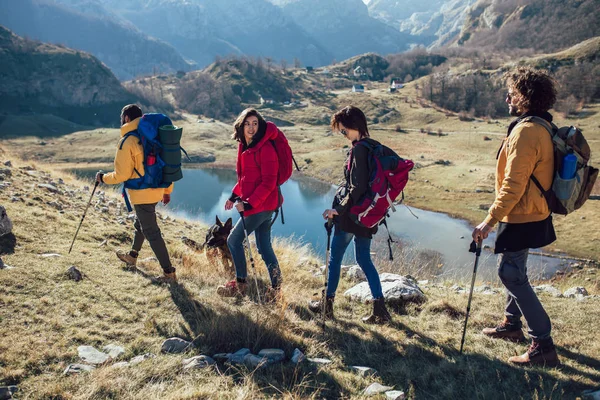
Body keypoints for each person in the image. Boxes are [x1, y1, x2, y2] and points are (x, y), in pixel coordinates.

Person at [472, 67, 559, 367]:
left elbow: (513, 185)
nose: (507, 96)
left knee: (509, 273)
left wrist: (488, 220)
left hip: (521, 214)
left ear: (525, 97)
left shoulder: (526, 131)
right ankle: (512, 325)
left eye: (512, 91)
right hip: (530, 212)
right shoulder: (539, 126)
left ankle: (542, 344)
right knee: (513, 268)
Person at [308, 105, 391, 324]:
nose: (344, 135)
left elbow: (357, 185)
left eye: (344, 131)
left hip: (352, 215)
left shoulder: (359, 149)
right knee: (363, 259)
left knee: (335, 258)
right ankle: (380, 309)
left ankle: (327, 306)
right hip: (367, 215)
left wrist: (339, 209)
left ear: (355, 126)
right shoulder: (374, 145)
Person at [95, 104, 176, 283]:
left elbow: (121, 175)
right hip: (157, 190)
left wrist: (103, 178)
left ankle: (169, 273)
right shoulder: (153, 136)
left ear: (126, 119)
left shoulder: (127, 141)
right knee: (141, 224)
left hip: (141, 193)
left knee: (152, 232)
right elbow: (166, 164)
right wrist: (167, 191)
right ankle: (132, 256)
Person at [216, 108, 282, 301]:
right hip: (262, 205)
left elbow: (269, 182)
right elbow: (247, 178)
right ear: (241, 125)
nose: (251, 128)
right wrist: (233, 195)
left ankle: (240, 285)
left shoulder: (266, 148)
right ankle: (277, 288)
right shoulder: (245, 146)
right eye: (247, 123)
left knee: (233, 241)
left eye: (255, 124)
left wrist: (249, 204)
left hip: (261, 206)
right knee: (263, 246)